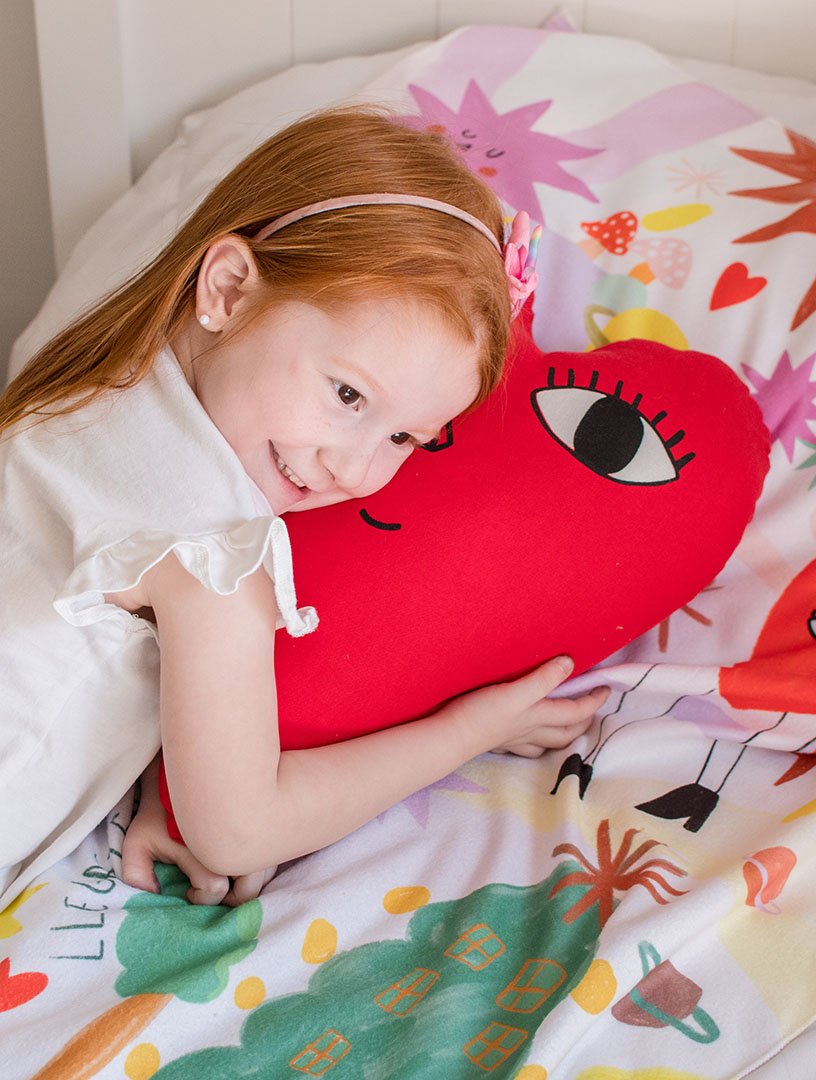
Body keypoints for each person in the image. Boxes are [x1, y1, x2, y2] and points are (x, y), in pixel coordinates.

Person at [0, 106, 608, 910]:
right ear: (227, 288)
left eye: (404, 438)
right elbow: (241, 831)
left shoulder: (74, 391)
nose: (353, 469)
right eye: (348, 394)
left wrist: (165, 780)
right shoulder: (214, 548)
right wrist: (478, 729)